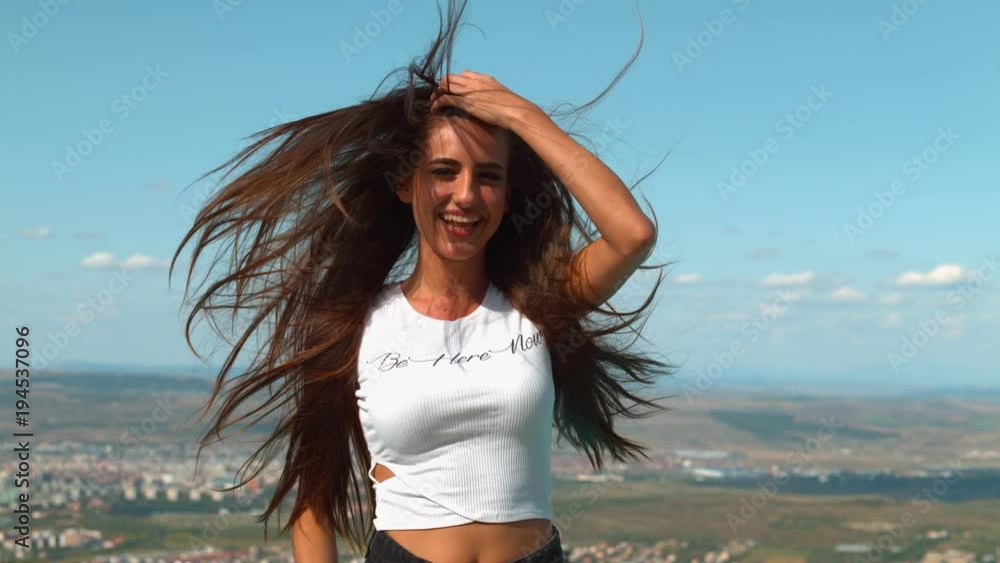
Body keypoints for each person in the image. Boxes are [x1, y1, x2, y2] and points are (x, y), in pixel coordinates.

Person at [169, 1, 674, 561]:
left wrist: (525, 118)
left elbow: (631, 234)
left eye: (488, 177)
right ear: (405, 185)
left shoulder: (535, 305)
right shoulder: (352, 324)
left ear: (507, 196)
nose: (464, 195)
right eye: (442, 172)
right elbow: (313, 502)